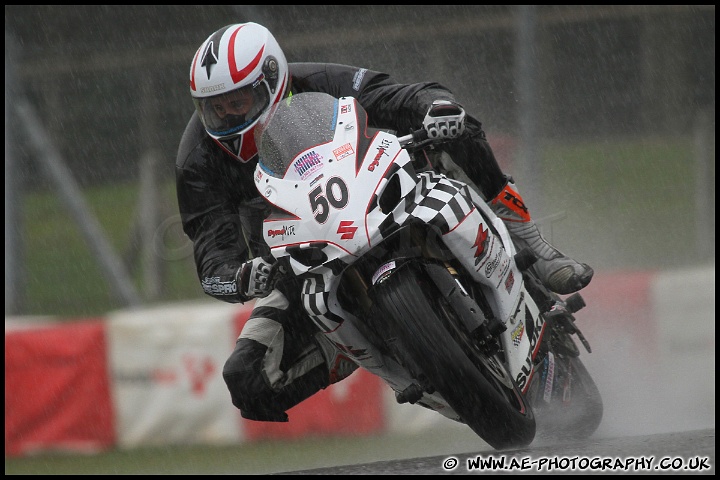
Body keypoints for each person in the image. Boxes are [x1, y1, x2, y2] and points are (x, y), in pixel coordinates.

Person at [175, 22, 593, 422]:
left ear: (272, 82)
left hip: (386, 196)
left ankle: (527, 238)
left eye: (238, 103)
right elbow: (212, 255)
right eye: (216, 109)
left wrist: (432, 108)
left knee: (456, 125)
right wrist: (240, 277)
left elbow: (397, 95)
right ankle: (339, 349)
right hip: (303, 264)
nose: (227, 119)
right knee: (245, 379)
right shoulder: (198, 159)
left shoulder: (318, 80)